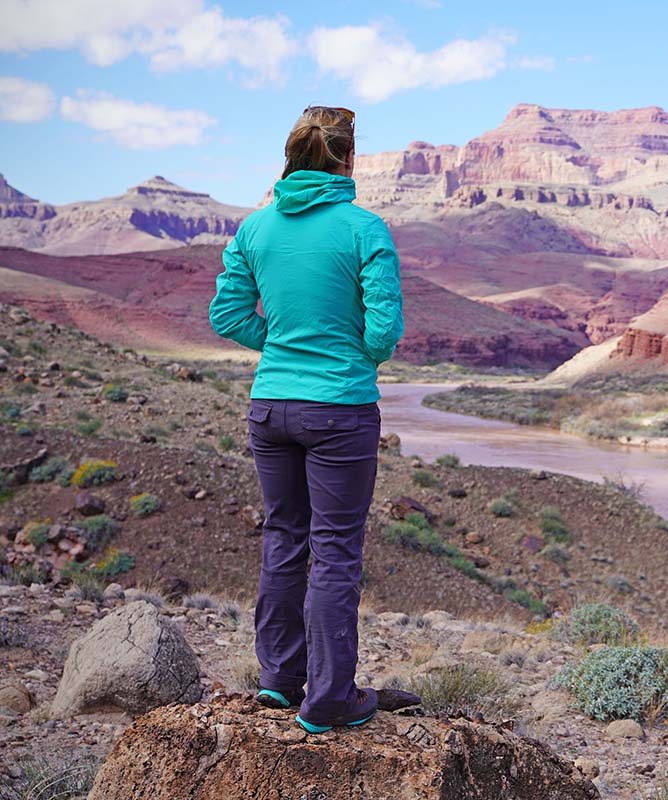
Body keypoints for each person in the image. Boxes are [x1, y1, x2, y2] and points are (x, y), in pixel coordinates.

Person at [209, 105, 415, 733]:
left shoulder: (254, 230)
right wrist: (345, 350)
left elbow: (227, 316)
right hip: (340, 411)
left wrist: (281, 343)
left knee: (283, 538)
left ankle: (278, 679)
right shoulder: (364, 229)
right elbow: (383, 334)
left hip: (270, 408)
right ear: (348, 158)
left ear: (291, 155)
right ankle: (328, 700)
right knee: (333, 553)